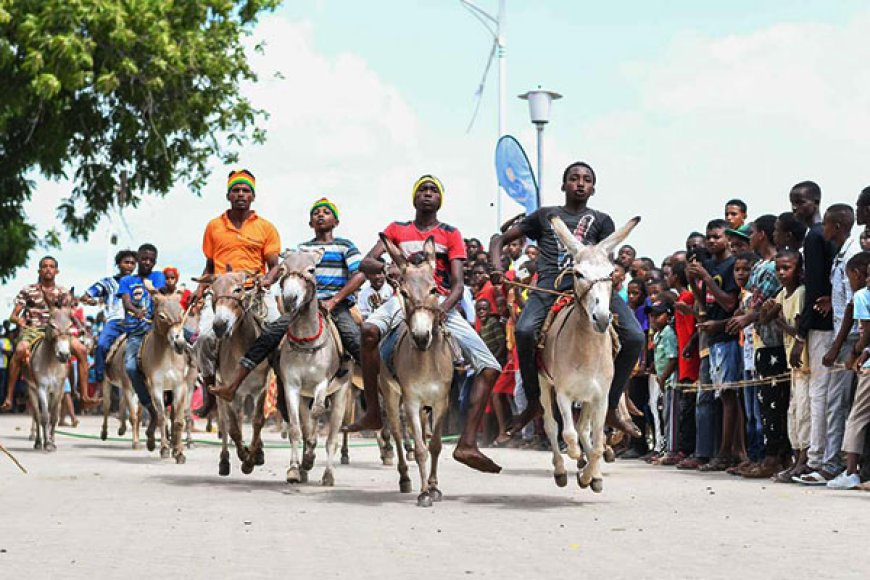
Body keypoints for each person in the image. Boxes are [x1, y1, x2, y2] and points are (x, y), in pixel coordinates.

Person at [342, 174, 503, 474]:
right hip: (401, 300)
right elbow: (366, 263)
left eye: (433, 190)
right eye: (422, 190)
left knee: (490, 366)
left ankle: (467, 442)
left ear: (440, 198)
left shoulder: (451, 234)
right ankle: (374, 412)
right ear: (414, 198)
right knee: (368, 331)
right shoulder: (396, 230)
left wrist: (443, 308)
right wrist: (386, 266)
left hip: (438, 302)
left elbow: (457, 284)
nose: (428, 194)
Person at [488, 161, 645, 438]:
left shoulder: (602, 220)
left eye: (586, 179)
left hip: (590, 284)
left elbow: (604, 256)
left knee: (634, 336)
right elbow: (498, 241)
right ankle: (534, 402)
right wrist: (497, 269)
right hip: (550, 284)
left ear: (593, 188)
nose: (580, 183)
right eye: (574, 178)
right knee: (524, 331)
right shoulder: (545, 215)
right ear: (563, 185)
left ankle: (610, 406)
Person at [210, 197, 365, 402]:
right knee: (268, 336)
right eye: (315, 213)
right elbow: (283, 269)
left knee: (354, 338)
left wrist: (335, 300)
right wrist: (267, 280)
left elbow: (360, 274)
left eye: (326, 212)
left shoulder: (345, 246)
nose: (320, 215)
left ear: (336, 221)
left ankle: (373, 391)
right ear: (310, 223)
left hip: (336, 306)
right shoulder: (300, 250)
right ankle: (233, 386)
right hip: (303, 308)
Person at [192, 169, 282, 417]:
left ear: (252, 196)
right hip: (221, 292)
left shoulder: (265, 227)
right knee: (204, 339)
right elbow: (210, 265)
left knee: (279, 334)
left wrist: (266, 280)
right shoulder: (214, 226)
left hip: (255, 291)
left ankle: (282, 393)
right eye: (236, 190)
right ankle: (211, 393)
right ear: (228, 195)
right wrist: (200, 291)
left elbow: (275, 266)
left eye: (245, 191)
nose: (241, 194)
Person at [795, 204, 860, 484]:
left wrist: (836, 347)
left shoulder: (853, 253)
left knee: (836, 403)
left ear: (836, 225)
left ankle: (831, 464)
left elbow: (853, 305)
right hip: (843, 335)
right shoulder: (842, 255)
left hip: (850, 338)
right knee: (837, 403)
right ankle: (833, 462)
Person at [728, 215, 790, 478]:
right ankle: (765, 455)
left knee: (775, 404)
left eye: (751, 232)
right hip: (760, 340)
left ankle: (774, 457)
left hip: (775, 340)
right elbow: (751, 302)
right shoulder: (760, 266)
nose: (748, 238)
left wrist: (748, 316)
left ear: (762, 234)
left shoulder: (775, 265)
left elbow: (765, 303)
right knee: (764, 404)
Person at [787, 181, 838, 482]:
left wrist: (800, 334)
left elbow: (816, 289)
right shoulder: (818, 236)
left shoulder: (816, 236)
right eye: (792, 203)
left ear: (816, 201)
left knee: (819, 394)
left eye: (800, 202)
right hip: (825, 323)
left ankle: (817, 459)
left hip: (820, 326)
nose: (796, 209)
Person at [2, 256, 96, 410]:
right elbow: (13, 315)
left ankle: (84, 395)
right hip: (34, 330)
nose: (48, 269)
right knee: (19, 351)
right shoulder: (28, 290)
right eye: (44, 266)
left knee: (81, 350)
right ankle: (9, 397)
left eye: (51, 266)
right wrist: (19, 321)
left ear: (56, 271)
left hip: (59, 330)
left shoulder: (63, 292)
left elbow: (69, 313)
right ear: (39, 270)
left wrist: (81, 328)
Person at [688, 219, 742, 472]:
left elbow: (729, 304)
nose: (711, 241)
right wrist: (694, 283)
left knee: (728, 396)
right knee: (710, 396)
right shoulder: (709, 264)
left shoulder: (731, 265)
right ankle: (710, 452)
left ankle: (726, 453)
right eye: (708, 237)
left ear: (727, 239)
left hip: (727, 337)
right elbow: (705, 303)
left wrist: (707, 278)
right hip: (711, 337)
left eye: (716, 237)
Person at [760, 250, 810, 482]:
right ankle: (796, 457)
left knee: (804, 412)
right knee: (793, 412)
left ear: (797, 270)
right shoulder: (782, 294)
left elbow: (798, 330)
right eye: (778, 268)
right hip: (794, 365)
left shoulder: (800, 294)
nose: (781, 273)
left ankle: (804, 460)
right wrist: (767, 308)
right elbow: (763, 319)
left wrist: (778, 320)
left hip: (803, 362)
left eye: (786, 268)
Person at [827, 254, 870, 489]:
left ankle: (851, 470)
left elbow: (866, 332)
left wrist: (854, 352)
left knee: (856, 417)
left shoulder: (862, 296)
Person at [118, 243, 167, 446]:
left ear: (154, 261)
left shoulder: (158, 277)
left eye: (151, 259)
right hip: (136, 331)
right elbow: (126, 301)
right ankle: (151, 408)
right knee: (130, 366)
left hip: (156, 331)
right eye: (144, 258)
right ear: (138, 259)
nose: (147, 262)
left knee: (187, 346)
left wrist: (153, 289)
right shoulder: (128, 280)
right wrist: (134, 311)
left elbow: (162, 296)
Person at [80, 249, 137, 386]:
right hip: (115, 321)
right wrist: (90, 300)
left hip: (136, 321)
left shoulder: (139, 282)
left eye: (132, 263)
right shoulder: (108, 283)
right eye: (126, 262)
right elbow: (86, 295)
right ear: (118, 264)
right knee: (101, 345)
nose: (129, 266)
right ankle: (100, 377)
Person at [650, 301, 678, 463]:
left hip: (670, 381)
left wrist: (663, 378)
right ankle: (665, 448)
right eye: (652, 316)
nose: (653, 319)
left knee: (671, 416)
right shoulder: (657, 334)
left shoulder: (668, 333)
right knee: (664, 415)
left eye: (658, 315)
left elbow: (673, 358)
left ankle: (672, 451)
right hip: (663, 381)